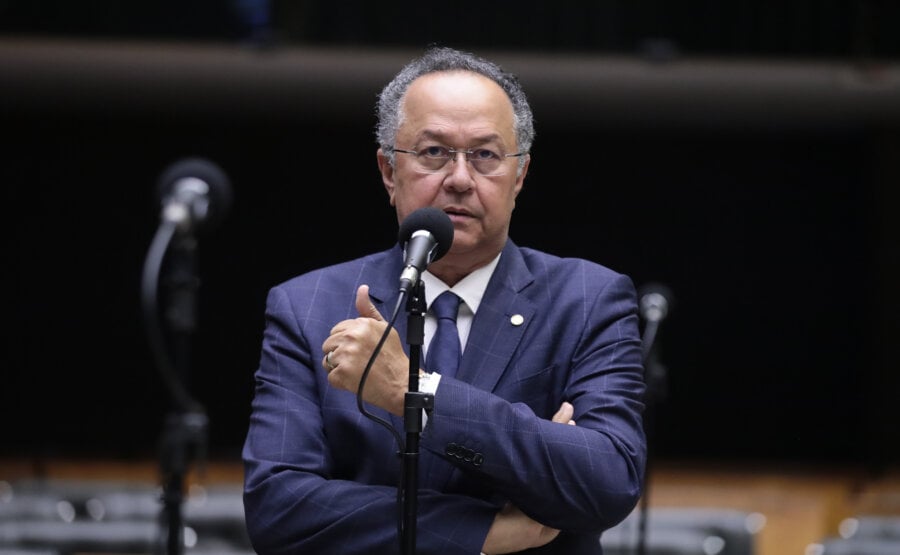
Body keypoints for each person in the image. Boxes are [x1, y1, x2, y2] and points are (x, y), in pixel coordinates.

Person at [241, 45, 647, 554]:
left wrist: (417, 392)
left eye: (485, 155)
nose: (459, 178)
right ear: (390, 171)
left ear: (519, 175)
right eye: (434, 152)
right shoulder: (307, 305)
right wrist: (485, 531)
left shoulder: (587, 299)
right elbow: (278, 509)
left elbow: (607, 481)